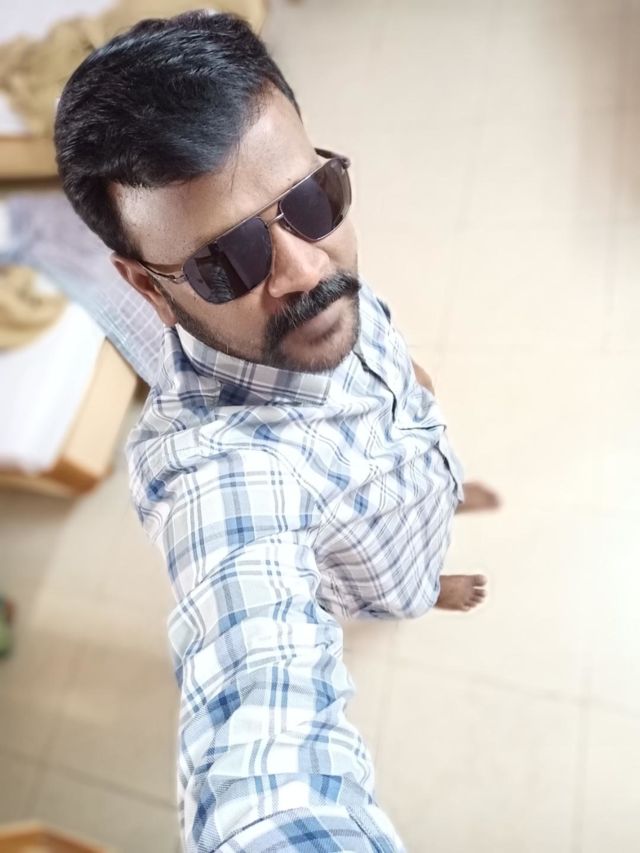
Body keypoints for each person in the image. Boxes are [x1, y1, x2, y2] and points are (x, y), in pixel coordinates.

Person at [54, 12, 496, 850]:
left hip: (413, 464)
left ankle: (443, 503)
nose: (305, 269)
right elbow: (264, 772)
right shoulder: (221, 473)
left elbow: (364, 325)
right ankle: (425, 590)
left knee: (437, 489)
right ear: (148, 287)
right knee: (404, 591)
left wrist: (411, 385)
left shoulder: (309, 282)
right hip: (375, 572)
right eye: (229, 260)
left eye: (309, 199)